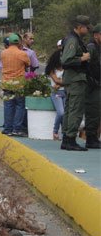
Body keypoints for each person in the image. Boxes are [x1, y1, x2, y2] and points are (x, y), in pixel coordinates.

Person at [60, 15, 92, 151]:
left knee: (70, 109)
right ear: (80, 27)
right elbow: (66, 61)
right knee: (75, 110)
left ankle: (67, 139)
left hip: (73, 79)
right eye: (86, 27)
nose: (88, 30)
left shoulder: (74, 39)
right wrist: (82, 59)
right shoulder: (73, 40)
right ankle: (70, 139)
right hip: (75, 80)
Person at [0, 33, 30, 136]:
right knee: (20, 106)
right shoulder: (22, 54)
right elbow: (28, 64)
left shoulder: (3, 53)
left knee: (8, 106)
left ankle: (8, 129)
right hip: (19, 84)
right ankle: (17, 129)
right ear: (19, 42)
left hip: (7, 83)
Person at [84, 24, 100, 149]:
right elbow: (86, 66)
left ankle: (94, 137)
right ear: (96, 35)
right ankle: (90, 138)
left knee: (97, 112)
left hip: (97, 84)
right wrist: (91, 81)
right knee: (93, 112)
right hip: (92, 85)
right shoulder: (91, 47)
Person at [45, 48, 65, 141]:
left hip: (66, 91)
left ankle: (65, 133)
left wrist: (61, 83)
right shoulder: (52, 69)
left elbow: (67, 81)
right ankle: (55, 131)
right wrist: (63, 82)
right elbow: (56, 80)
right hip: (56, 93)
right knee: (61, 112)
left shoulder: (66, 68)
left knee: (66, 115)